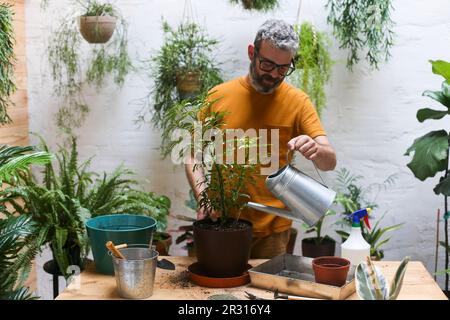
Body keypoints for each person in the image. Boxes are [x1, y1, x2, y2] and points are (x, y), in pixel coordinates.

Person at [185, 19, 336, 259]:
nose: (275, 74)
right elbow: (192, 154)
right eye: (267, 64)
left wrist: (317, 149)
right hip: (222, 223)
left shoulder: (298, 102)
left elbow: (329, 161)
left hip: (273, 231)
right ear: (251, 53)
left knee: (266, 293)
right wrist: (202, 195)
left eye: (283, 68)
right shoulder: (218, 96)